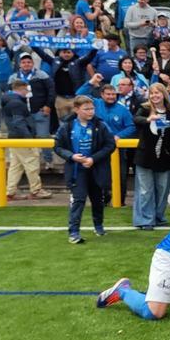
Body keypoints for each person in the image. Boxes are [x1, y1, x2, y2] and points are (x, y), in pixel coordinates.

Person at [54, 96, 115, 243]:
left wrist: (93, 159)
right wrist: (72, 156)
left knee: (98, 200)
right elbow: (57, 146)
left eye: (92, 108)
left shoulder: (101, 125)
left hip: (96, 169)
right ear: (76, 110)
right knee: (78, 200)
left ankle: (98, 226)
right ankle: (74, 232)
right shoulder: (67, 126)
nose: (90, 112)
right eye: (86, 109)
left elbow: (110, 145)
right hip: (76, 170)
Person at [133, 83, 170, 229]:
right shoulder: (144, 109)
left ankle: (158, 216)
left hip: (164, 157)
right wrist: (148, 120)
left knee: (162, 189)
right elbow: (136, 120)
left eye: (157, 93)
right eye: (152, 93)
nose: (154, 96)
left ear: (164, 94)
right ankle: (145, 220)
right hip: (145, 156)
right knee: (145, 190)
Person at [2, 77, 52, 200]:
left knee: (16, 166)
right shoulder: (17, 103)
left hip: (14, 137)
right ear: (22, 89)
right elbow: (19, 122)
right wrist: (29, 138)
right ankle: (36, 190)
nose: (27, 93)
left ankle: (10, 192)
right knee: (32, 163)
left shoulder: (10, 100)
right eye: (26, 90)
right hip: (22, 138)